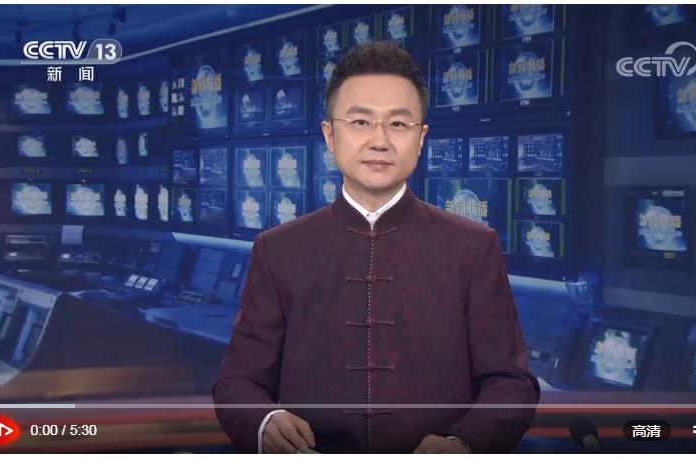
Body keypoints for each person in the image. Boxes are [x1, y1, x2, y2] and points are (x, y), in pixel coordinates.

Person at [213, 41, 540, 454]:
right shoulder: (278, 250)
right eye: (360, 122)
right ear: (330, 135)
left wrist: (464, 441)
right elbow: (237, 383)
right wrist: (263, 421)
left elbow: (512, 384)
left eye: (398, 124)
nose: (380, 141)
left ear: (421, 139)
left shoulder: (473, 247)